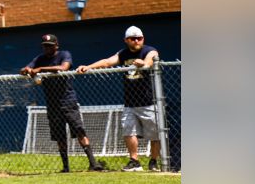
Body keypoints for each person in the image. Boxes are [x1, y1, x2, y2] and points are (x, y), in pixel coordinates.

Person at [77, 26, 162, 171]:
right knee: (128, 131)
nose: (136, 41)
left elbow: (149, 61)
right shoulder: (123, 54)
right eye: (132, 38)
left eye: (139, 38)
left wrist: (144, 64)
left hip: (149, 102)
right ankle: (134, 162)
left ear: (143, 39)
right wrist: (89, 67)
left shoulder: (149, 50)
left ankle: (153, 161)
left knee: (155, 134)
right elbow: (107, 62)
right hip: (130, 102)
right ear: (126, 40)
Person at [21, 35, 105, 172]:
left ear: (56, 45)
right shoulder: (40, 59)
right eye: (45, 45)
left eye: (50, 45)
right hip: (52, 103)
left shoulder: (64, 54)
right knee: (59, 135)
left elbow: (64, 67)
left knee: (79, 130)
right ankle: (66, 167)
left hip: (67, 100)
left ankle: (93, 163)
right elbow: (27, 68)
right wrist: (27, 70)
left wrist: (40, 69)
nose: (47, 48)